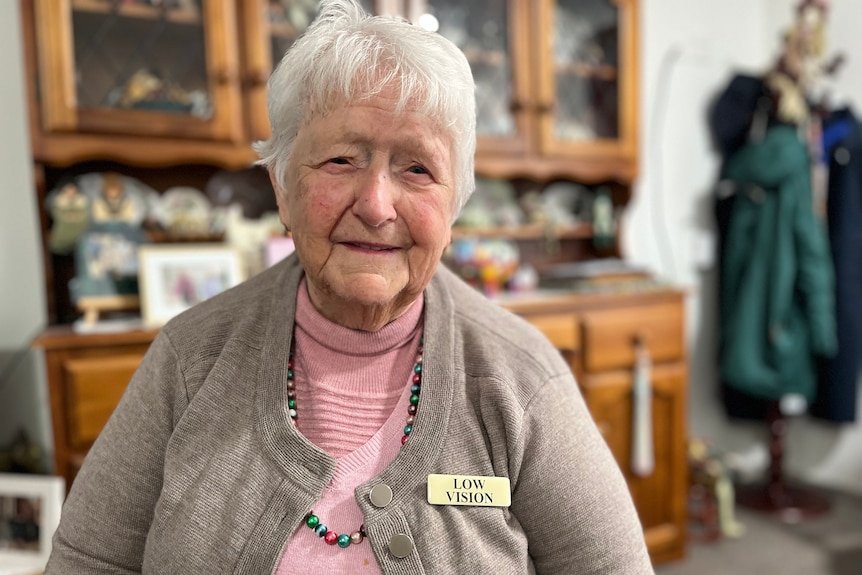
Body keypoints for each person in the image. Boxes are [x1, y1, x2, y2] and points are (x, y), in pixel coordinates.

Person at [46, 1, 653, 573]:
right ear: (282, 187)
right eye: (342, 160)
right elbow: (88, 561)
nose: (377, 204)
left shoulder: (521, 379)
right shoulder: (189, 359)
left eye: (417, 168)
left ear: (454, 205)